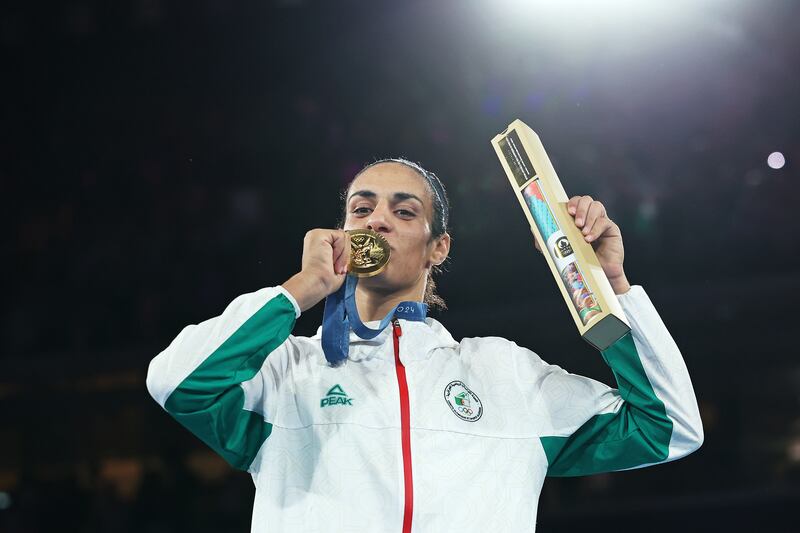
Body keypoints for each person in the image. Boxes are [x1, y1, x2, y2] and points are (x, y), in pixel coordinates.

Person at [146, 158, 703, 532]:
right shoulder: (288, 372)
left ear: (439, 249)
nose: (377, 220)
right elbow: (176, 382)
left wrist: (611, 288)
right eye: (361, 209)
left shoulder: (503, 374)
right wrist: (301, 291)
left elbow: (669, 428)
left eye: (403, 210)